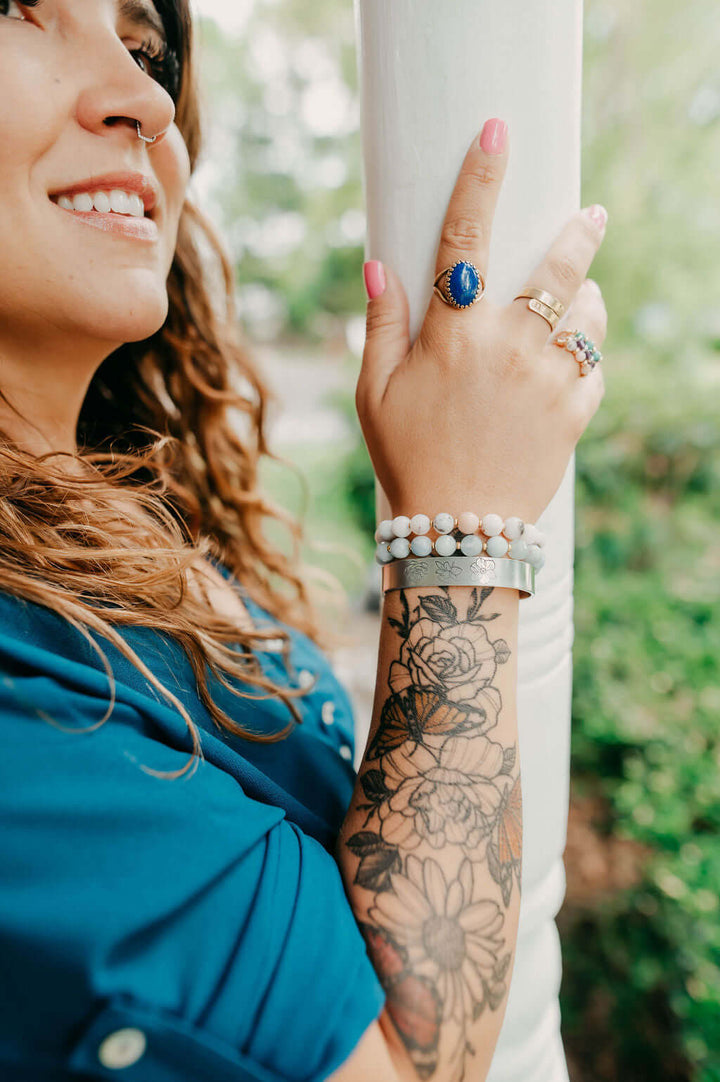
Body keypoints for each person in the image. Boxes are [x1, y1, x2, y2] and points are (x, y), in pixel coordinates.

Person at [0, 1, 607, 1080]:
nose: (144, 98)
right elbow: (400, 1062)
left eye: (146, 45)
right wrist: (462, 527)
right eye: (15, 12)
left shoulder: (133, 503)